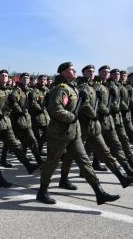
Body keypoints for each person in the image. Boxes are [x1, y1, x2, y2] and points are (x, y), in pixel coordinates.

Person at [37, 62, 119, 205]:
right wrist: (72, 117)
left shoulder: (71, 87)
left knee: (84, 161)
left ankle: (99, 192)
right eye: (71, 70)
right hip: (59, 134)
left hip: (74, 133)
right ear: (63, 72)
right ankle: (42, 192)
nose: (75, 71)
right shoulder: (61, 89)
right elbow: (55, 109)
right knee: (52, 163)